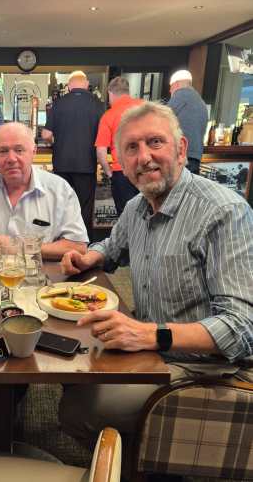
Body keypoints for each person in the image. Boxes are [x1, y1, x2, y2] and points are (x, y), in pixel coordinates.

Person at [59, 102, 253, 440]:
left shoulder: (224, 212)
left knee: (77, 409)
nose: (144, 157)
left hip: (206, 369)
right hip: (150, 349)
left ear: (181, 149)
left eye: (155, 142)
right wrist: (90, 257)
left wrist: (152, 335)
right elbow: (113, 247)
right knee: (71, 364)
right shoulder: (137, 206)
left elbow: (241, 328)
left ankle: (142, 462)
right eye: (131, 148)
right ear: (121, 162)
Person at [0, 122, 88, 260]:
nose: (11, 159)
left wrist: (19, 247)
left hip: (41, 273)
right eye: (3, 151)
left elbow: (78, 246)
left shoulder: (60, 190)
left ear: (34, 152)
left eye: (19, 150)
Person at [42, 70, 103, 232]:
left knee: (61, 205)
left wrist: (55, 143)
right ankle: (84, 242)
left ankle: (62, 239)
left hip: (62, 164)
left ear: (69, 86)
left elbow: (46, 134)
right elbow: (103, 136)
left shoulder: (59, 103)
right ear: (87, 84)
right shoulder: (98, 104)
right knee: (85, 207)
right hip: (87, 164)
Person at [95, 76, 143, 215]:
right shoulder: (145, 107)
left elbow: (101, 151)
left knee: (126, 216)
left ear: (110, 93)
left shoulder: (109, 115)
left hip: (122, 172)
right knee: (150, 212)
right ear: (128, 91)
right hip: (147, 168)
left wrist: (110, 173)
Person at [167, 69, 208, 175]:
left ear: (176, 84)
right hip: (196, 157)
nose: (170, 91)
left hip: (180, 155)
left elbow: (162, 120)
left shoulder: (180, 96)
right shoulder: (201, 102)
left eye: (170, 87)